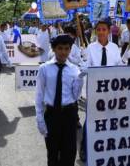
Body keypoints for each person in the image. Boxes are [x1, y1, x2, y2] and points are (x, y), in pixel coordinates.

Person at [79, 19, 125, 162]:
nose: (101, 32)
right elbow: (84, 69)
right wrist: (84, 63)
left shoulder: (114, 48)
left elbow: (118, 67)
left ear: (109, 31)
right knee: (91, 121)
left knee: (109, 121)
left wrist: (124, 61)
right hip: (94, 92)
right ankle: (85, 149)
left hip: (111, 92)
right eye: (98, 29)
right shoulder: (90, 48)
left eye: (103, 29)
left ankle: (105, 148)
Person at [35, 34, 84, 166]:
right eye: (60, 48)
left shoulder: (74, 70)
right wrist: (39, 119)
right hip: (52, 115)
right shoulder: (44, 68)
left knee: (69, 153)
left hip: (69, 114)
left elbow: (75, 96)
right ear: (54, 49)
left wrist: (80, 78)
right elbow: (39, 95)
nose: (63, 52)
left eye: (67, 49)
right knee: (52, 153)